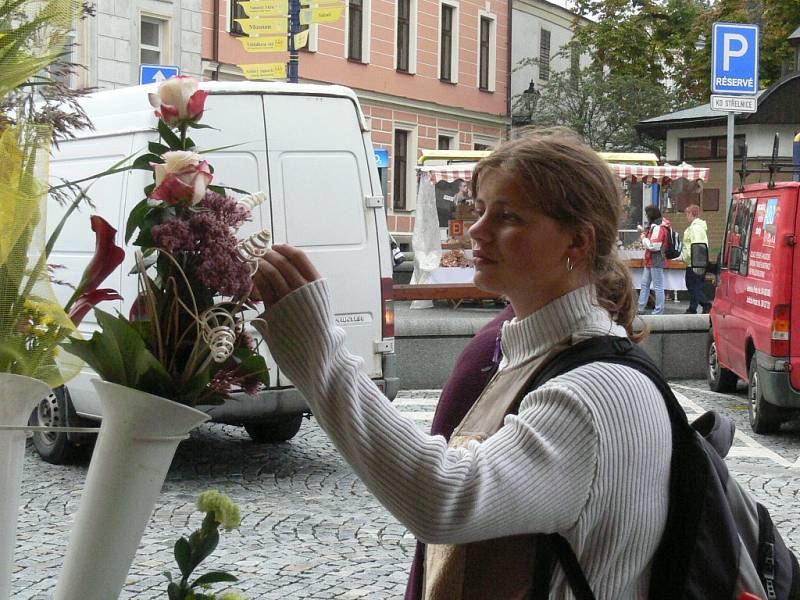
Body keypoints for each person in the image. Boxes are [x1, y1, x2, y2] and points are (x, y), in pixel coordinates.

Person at [252, 128, 671, 599]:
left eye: (507, 216)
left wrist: (318, 356)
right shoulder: (542, 353)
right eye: (480, 208)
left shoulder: (594, 392)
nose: (476, 228)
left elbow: (445, 500)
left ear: (577, 242)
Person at [638, 205, 669, 315]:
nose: (646, 217)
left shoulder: (658, 228)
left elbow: (653, 246)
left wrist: (643, 238)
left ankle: (658, 310)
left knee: (657, 286)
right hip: (652, 260)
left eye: (647, 215)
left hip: (655, 260)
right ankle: (641, 307)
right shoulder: (658, 226)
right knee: (646, 285)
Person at [681, 204, 711, 314]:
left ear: (691, 214)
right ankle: (692, 308)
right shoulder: (698, 227)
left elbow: (696, 245)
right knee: (696, 285)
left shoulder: (695, 228)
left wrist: (687, 257)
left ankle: (706, 304)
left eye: (687, 214)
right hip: (698, 261)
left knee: (691, 285)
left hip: (694, 262)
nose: (686, 216)